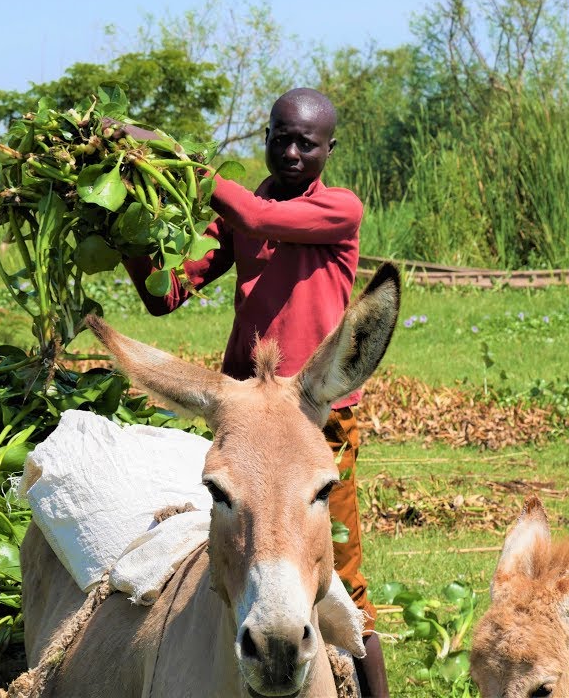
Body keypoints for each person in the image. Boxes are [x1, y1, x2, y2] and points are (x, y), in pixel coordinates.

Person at [111, 87, 390, 697]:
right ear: (264, 138)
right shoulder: (245, 211)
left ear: (328, 150)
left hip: (315, 417)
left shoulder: (338, 210)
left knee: (342, 575)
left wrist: (170, 155)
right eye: (279, 138)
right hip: (243, 413)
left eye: (306, 144)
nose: (290, 152)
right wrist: (121, 225)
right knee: (238, 551)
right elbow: (166, 295)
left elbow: (260, 220)